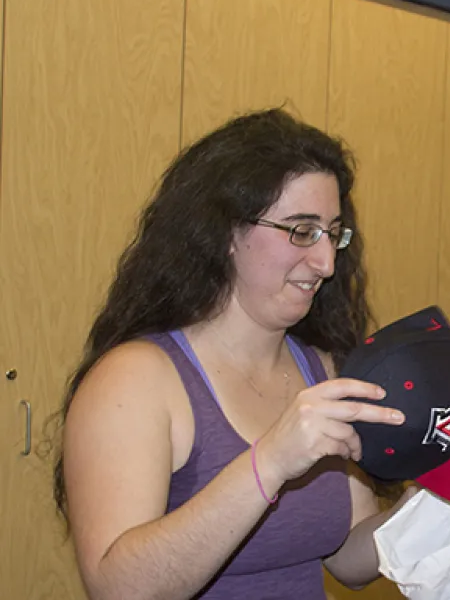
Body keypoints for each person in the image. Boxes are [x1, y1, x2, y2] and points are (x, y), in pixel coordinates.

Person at [53, 108, 416, 599]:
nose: (327, 262)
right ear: (226, 233)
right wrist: (270, 461)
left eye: (333, 233)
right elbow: (121, 591)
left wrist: (430, 506)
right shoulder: (134, 381)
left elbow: (347, 560)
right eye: (302, 231)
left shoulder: (320, 370)